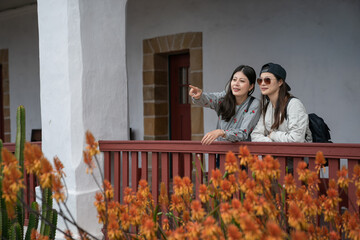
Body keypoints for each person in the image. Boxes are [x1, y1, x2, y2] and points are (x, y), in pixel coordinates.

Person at [189, 65, 261, 145]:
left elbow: (243, 133)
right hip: (221, 153)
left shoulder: (254, 104)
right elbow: (209, 99)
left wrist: (222, 132)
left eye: (242, 81)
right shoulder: (224, 98)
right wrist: (199, 96)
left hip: (242, 154)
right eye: (234, 80)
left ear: (251, 86)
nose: (236, 84)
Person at [251, 63, 312, 142]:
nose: (262, 83)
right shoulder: (267, 106)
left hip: (297, 154)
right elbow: (255, 135)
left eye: (267, 80)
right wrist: (270, 141)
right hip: (275, 153)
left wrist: (273, 135)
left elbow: (296, 139)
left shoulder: (294, 105)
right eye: (260, 80)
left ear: (280, 82)